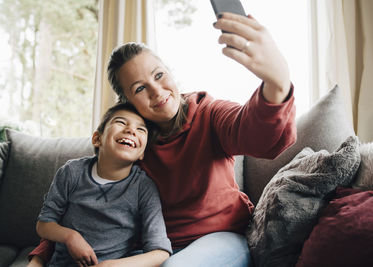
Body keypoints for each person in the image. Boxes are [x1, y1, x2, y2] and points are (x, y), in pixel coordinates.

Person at [28, 12, 296, 266]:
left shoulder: (208, 112)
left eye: (159, 75)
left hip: (219, 237)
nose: (157, 92)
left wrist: (277, 82)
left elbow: (258, 136)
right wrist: (40, 257)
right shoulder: (131, 144)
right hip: (153, 248)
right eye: (140, 88)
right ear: (128, 102)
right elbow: (80, 209)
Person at [34, 102, 172, 267]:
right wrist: (70, 237)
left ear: (142, 153)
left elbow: (160, 253)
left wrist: (111, 266)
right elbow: (43, 224)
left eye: (141, 129)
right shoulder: (72, 172)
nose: (131, 130)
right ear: (97, 138)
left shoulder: (144, 188)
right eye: (121, 122)